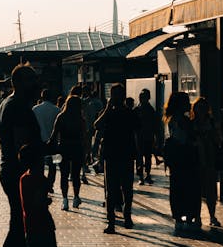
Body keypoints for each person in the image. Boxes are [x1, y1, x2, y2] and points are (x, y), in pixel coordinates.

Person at [0, 63, 45, 247]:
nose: (37, 85)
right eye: (32, 80)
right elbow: (24, 147)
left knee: (20, 228)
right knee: (18, 229)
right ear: (20, 82)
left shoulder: (6, 104)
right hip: (19, 174)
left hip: (9, 171)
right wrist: (48, 148)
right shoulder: (20, 107)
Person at [1, 143, 66, 247]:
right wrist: (50, 178)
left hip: (30, 227)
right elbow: (39, 200)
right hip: (43, 225)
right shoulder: (38, 179)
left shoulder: (24, 177)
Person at [95, 83, 138, 233]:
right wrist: (107, 109)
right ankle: (113, 221)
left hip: (123, 155)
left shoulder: (129, 113)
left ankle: (125, 218)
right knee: (114, 190)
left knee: (125, 189)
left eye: (118, 94)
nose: (116, 98)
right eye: (114, 95)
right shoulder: (108, 113)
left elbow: (137, 131)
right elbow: (97, 125)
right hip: (113, 155)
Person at [163, 91, 201, 234]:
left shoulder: (172, 119)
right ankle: (189, 217)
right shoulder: (183, 120)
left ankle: (179, 218)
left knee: (178, 187)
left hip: (176, 158)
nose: (188, 104)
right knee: (190, 187)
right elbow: (191, 137)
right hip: (186, 157)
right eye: (186, 101)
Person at [49, 94, 86, 211]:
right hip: (77, 148)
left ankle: (65, 200)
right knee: (76, 175)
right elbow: (84, 137)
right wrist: (86, 153)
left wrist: (51, 150)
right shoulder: (80, 119)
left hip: (62, 148)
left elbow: (54, 135)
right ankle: (76, 197)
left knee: (63, 175)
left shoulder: (61, 117)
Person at [190, 96, 222, 227]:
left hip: (210, 159)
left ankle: (212, 216)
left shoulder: (212, 123)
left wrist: (212, 136)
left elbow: (219, 140)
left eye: (204, 107)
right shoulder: (192, 123)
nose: (201, 110)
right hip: (196, 160)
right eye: (199, 107)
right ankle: (197, 216)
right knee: (196, 189)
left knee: (211, 191)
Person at [33, 89, 60, 192]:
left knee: (39, 165)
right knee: (53, 166)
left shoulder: (35, 109)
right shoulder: (57, 110)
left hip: (39, 142)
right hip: (53, 142)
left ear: (42, 97)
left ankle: (41, 184)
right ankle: (50, 185)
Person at [135, 88, 157, 185]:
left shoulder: (151, 110)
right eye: (141, 96)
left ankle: (147, 174)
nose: (141, 98)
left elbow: (155, 125)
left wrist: (156, 136)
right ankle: (140, 176)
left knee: (148, 156)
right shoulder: (136, 110)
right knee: (139, 156)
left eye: (143, 97)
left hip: (148, 136)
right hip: (138, 137)